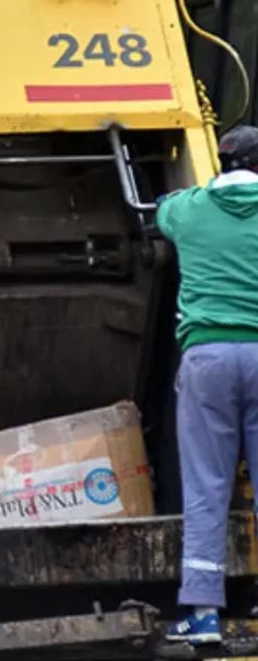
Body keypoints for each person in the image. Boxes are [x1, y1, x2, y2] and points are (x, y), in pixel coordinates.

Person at [157, 124, 258, 645]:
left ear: (220, 161)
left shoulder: (189, 210)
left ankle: (203, 615)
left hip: (208, 360)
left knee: (206, 487)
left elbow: (160, 212)